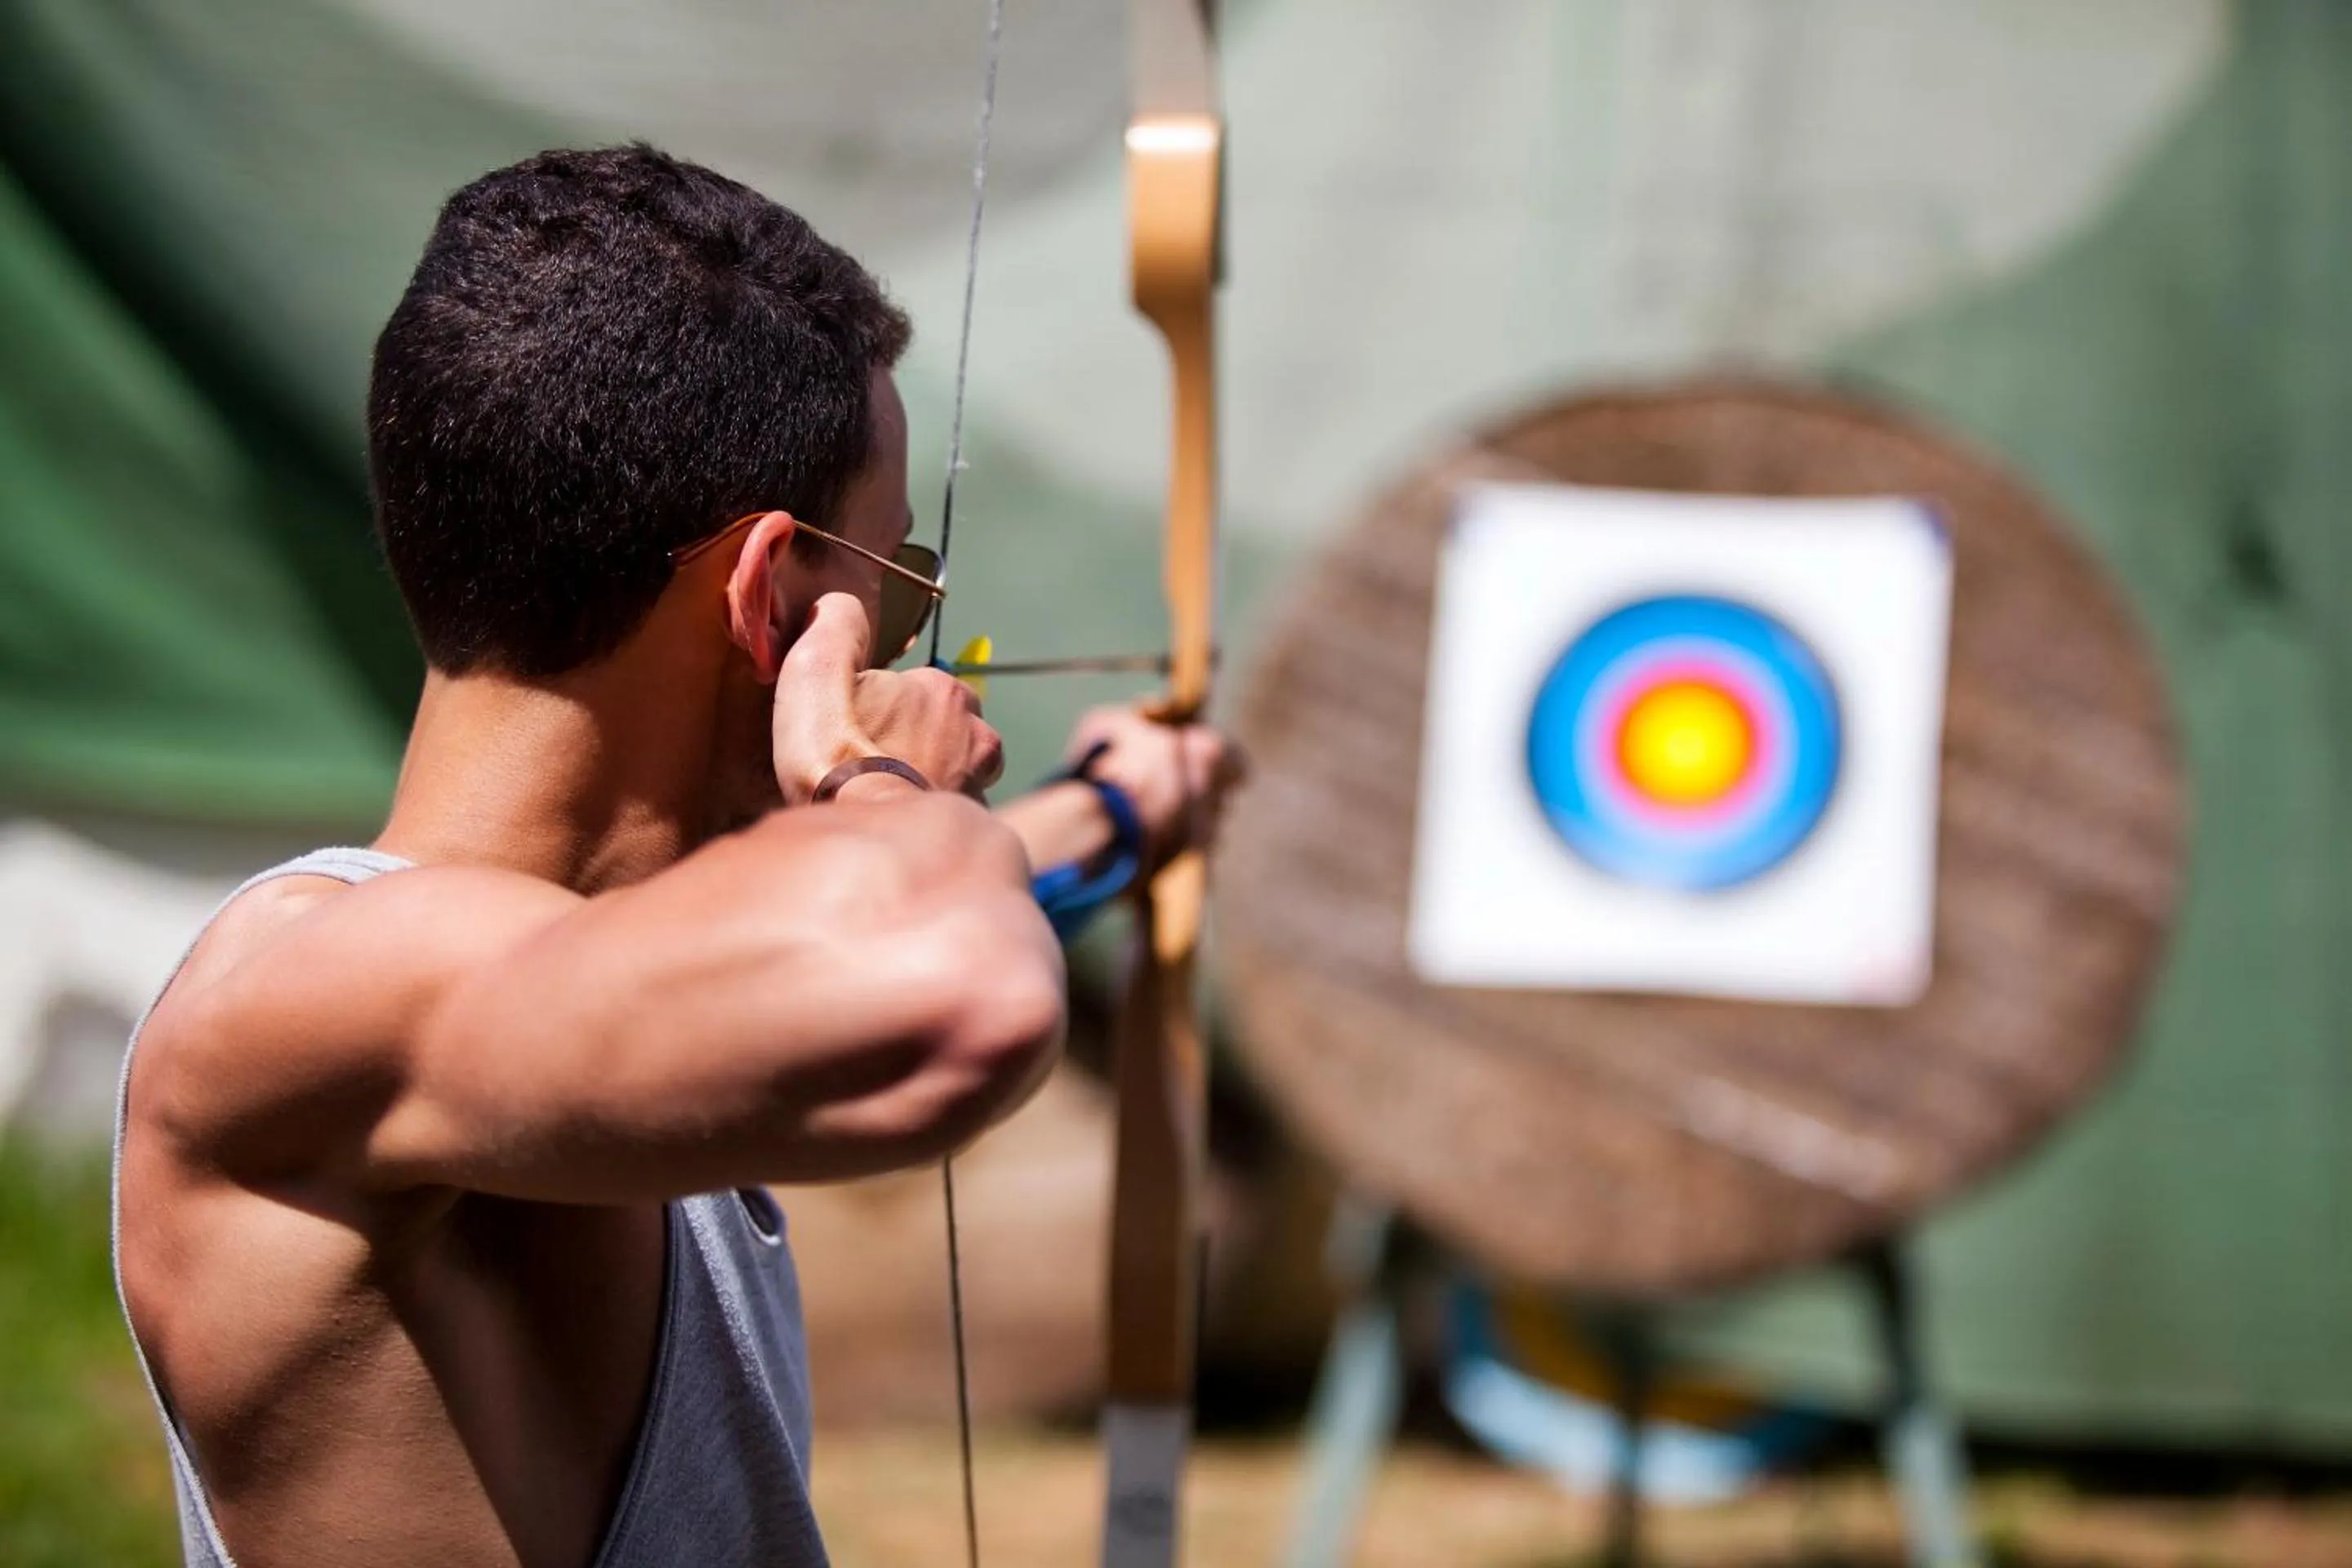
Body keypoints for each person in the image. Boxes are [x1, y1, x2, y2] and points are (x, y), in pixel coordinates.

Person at [111, 145, 1239, 1568]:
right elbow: (958, 992)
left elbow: (802, 932)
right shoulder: (318, 991)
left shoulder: (572, 975)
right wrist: (864, 764)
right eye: (898, 592)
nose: (906, 642)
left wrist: (1121, 807)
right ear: (773, 602)